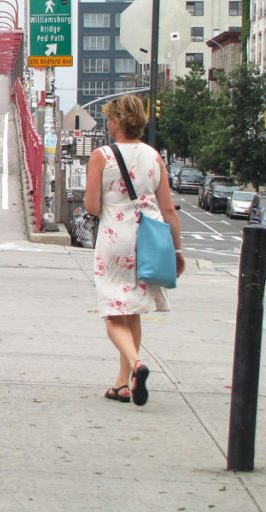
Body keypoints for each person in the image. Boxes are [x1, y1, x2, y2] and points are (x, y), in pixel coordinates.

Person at [83, 93, 185, 406]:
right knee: (134, 309)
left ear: (117, 122)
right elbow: (168, 209)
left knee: (114, 311)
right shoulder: (154, 157)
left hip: (116, 238)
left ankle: (136, 365)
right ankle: (123, 384)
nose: (107, 122)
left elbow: (91, 205)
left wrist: (114, 204)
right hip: (148, 238)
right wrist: (177, 251)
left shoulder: (102, 155)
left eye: (109, 118)